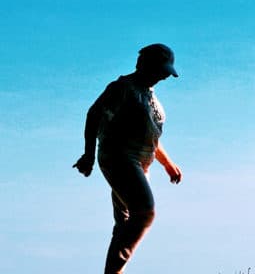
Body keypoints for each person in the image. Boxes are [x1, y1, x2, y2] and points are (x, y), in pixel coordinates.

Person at [73, 43, 183, 274]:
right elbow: (94, 115)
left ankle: (114, 271)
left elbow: (150, 135)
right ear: (145, 65)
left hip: (141, 163)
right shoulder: (122, 88)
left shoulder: (150, 96)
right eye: (161, 71)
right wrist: (88, 155)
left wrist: (167, 164)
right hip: (118, 158)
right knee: (145, 211)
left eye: (166, 73)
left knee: (125, 222)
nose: (164, 77)